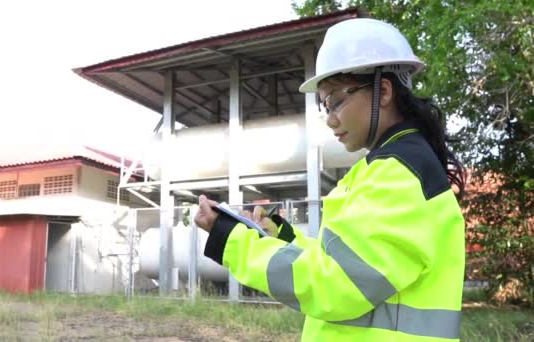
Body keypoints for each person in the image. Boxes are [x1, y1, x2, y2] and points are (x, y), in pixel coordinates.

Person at [195, 18, 466, 341]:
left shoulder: (397, 174)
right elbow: (348, 263)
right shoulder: (385, 168)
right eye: (325, 105)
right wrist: (282, 239)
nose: (330, 118)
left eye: (336, 100)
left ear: (383, 90)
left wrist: (234, 240)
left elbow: (335, 285)